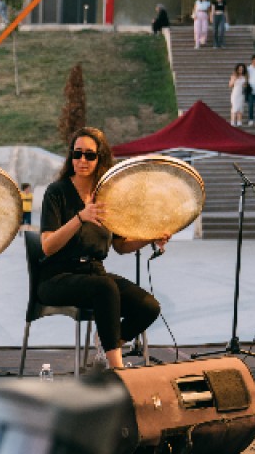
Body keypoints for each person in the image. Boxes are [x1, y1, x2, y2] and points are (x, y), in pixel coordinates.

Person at [38, 127, 164, 370]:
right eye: (77, 154)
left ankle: (107, 341)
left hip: (94, 274)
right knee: (105, 287)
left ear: (100, 158)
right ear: (70, 156)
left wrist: (150, 237)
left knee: (149, 307)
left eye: (90, 155)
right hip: (56, 276)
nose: (82, 160)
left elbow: (121, 246)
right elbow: (47, 247)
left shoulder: (107, 196)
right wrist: (79, 218)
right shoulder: (57, 192)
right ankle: (117, 368)